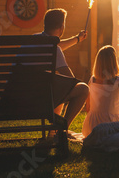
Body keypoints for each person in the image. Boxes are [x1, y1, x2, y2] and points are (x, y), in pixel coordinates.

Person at [35, 8, 89, 138]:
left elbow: (56, 46)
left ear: (45, 24)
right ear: (61, 27)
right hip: (42, 100)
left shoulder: (33, 40)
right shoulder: (54, 49)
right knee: (81, 89)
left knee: (57, 85)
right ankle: (61, 130)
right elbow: (71, 81)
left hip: (22, 98)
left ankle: (52, 133)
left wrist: (77, 39)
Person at [82, 45, 119, 136]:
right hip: (111, 127)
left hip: (91, 127)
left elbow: (88, 108)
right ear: (114, 61)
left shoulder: (92, 80)